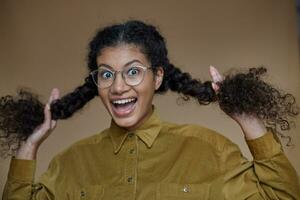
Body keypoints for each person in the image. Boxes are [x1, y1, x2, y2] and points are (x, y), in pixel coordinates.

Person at [2, 20, 300, 199]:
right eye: (106, 74)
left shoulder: (210, 149)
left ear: (157, 77)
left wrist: (248, 119)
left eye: (133, 72)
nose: (118, 87)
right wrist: (29, 146)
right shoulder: (69, 164)